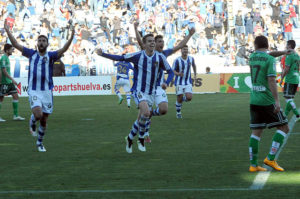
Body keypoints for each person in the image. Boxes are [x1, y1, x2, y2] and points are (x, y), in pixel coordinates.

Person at [4, 19, 75, 152]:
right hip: (34, 90)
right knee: (38, 114)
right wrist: (8, 30)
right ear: (37, 43)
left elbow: (64, 48)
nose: (41, 42)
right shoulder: (31, 54)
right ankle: (32, 121)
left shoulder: (52, 56)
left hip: (47, 92)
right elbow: (15, 44)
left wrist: (71, 36)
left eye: (44, 40)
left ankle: (39, 143)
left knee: (44, 120)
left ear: (47, 44)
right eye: (39, 40)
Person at [96, 34, 174, 153]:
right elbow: (120, 58)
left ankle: (130, 137)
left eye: (153, 41)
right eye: (149, 41)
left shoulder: (160, 57)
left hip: (151, 92)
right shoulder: (137, 56)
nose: (152, 43)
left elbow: (171, 72)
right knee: (146, 113)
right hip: (138, 90)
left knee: (142, 118)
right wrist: (103, 54)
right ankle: (141, 139)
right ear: (144, 44)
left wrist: (166, 82)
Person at [134, 21, 195, 141]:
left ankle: (147, 119)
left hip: (158, 86)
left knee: (162, 110)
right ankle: (141, 134)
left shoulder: (164, 53)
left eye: (163, 42)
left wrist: (190, 35)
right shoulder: (147, 52)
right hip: (146, 86)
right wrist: (135, 28)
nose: (162, 44)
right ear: (154, 44)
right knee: (143, 114)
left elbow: (180, 45)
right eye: (159, 42)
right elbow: (140, 42)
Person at [248, 35, 289, 172]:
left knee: (256, 132)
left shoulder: (252, 57)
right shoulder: (270, 59)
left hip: (254, 100)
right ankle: (270, 158)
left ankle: (253, 165)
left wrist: (284, 52)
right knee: (284, 128)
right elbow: (271, 80)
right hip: (267, 101)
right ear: (268, 45)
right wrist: (277, 101)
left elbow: (266, 55)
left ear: (255, 45)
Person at [0, 44, 25, 122]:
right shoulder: (3, 58)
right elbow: (4, 71)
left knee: (15, 96)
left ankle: (16, 115)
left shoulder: (6, 58)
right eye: (11, 49)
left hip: (9, 82)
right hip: (4, 82)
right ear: (7, 50)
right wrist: (12, 79)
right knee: (1, 99)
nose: (12, 51)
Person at [173, 45, 197, 119]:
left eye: (186, 49)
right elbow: (172, 70)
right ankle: (178, 112)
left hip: (187, 82)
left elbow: (194, 66)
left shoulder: (191, 58)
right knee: (179, 97)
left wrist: (195, 74)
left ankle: (178, 102)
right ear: (181, 50)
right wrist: (178, 74)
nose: (185, 51)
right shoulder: (177, 60)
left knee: (189, 97)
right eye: (184, 49)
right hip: (179, 82)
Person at [280, 40, 300, 120]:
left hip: (290, 79)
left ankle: (297, 114)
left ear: (289, 46)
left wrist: (282, 78)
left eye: (287, 45)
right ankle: (285, 116)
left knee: (288, 98)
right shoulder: (297, 55)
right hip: (296, 79)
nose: (286, 46)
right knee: (289, 99)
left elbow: (287, 68)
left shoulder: (289, 56)